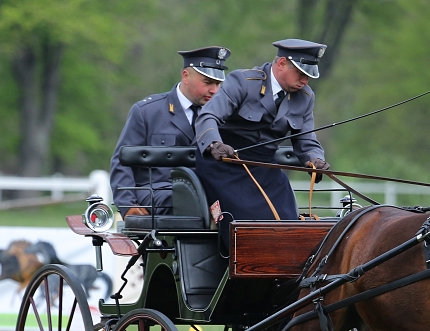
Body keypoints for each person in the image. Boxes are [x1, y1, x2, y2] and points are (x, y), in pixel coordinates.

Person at [194, 39, 330, 248]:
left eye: (309, 76)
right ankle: (245, 269)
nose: (306, 81)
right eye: (301, 74)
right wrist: (215, 144)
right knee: (248, 221)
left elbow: (306, 139)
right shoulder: (243, 81)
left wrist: (315, 159)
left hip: (264, 165)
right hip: (224, 163)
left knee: (288, 220)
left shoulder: (305, 97)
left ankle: (285, 273)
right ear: (282, 63)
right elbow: (208, 116)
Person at [110, 46, 231, 217]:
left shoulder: (224, 117)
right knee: (189, 200)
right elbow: (122, 162)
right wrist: (127, 206)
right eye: (208, 82)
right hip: (159, 193)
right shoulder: (147, 112)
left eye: (218, 83)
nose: (215, 90)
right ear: (186, 76)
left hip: (207, 193)